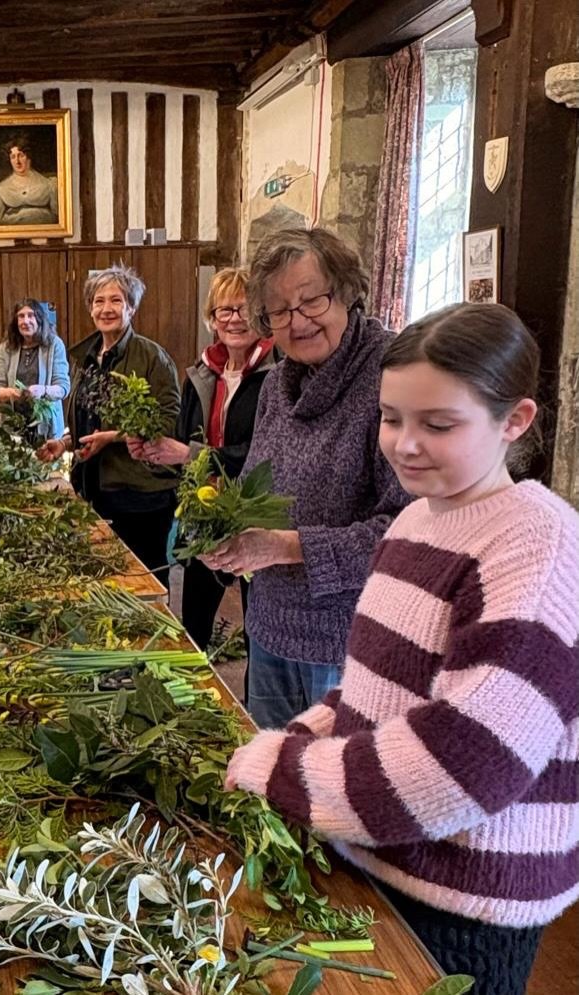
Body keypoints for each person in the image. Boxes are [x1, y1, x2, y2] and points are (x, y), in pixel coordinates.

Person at [225, 302, 578, 995]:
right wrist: (295, 737)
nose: (403, 444)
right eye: (390, 418)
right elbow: (369, 690)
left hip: (459, 903)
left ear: (514, 421)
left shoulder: (536, 545)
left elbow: (466, 764)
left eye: (437, 424)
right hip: (375, 857)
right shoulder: (417, 517)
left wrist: (282, 773)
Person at [202, 228, 410, 728]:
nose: (297, 321)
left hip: (345, 645)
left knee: (330, 795)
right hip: (270, 627)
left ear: (346, 291)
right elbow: (257, 484)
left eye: (311, 300)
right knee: (273, 785)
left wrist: (286, 547)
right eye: (279, 310)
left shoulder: (392, 377)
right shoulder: (277, 384)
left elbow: (406, 533)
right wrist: (223, 531)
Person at [127, 267, 275, 651]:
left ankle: (249, 709)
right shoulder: (203, 374)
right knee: (192, 622)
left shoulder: (277, 376)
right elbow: (182, 441)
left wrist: (190, 454)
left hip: (255, 516)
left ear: (260, 314)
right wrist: (153, 451)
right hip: (203, 515)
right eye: (223, 311)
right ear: (211, 319)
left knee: (258, 630)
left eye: (243, 309)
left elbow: (264, 455)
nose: (233, 320)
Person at [38, 263, 180, 592]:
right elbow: (91, 419)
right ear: (90, 309)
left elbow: (169, 419)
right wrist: (66, 442)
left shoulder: (151, 357)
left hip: (141, 492)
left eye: (116, 301)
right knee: (109, 581)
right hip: (97, 489)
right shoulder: (87, 358)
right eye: (99, 301)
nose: (107, 309)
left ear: (131, 307)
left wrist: (113, 438)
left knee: (145, 583)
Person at [0, 298, 70, 444]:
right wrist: (9, 393)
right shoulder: (6, 348)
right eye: (21, 316)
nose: (25, 321)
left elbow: (64, 388)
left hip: (46, 431)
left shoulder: (54, 345)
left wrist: (42, 391)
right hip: (13, 431)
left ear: (39, 319)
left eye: (31, 315)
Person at [0, 133, 59, 226]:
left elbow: (60, 217)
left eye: (21, 155)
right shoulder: (0, 188)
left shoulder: (49, 184)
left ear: (29, 156)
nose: (17, 161)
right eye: (13, 157)